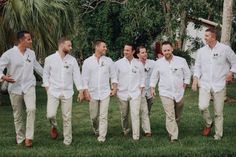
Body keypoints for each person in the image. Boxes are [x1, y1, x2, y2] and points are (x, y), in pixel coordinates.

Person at [0, 30, 43, 147]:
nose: (31, 41)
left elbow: (38, 69)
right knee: (17, 114)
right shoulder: (8, 54)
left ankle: (29, 138)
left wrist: (49, 79)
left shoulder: (31, 53)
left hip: (29, 86)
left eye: (30, 38)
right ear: (21, 40)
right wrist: (3, 77)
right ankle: (20, 138)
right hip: (14, 88)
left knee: (31, 109)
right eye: (28, 39)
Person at [192, 28, 236, 140]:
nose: (204, 37)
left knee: (218, 112)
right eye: (205, 35)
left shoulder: (225, 49)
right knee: (202, 106)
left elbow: (235, 61)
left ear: (213, 37)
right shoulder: (201, 51)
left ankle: (218, 135)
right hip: (205, 84)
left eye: (207, 35)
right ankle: (208, 123)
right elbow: (197, 67)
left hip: (219, 85)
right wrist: (195, 79)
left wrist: (231, 72)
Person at [43, 37, 83, 145]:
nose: (71, 47)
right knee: (50, 115)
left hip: (68, 92)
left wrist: (80, 90)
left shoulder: (72, 60)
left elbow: (77, 76)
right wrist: (47, 88)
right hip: (53, 92)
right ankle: (54, 126)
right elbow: (45, 75)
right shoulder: (49, 59)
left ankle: (67, 140)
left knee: (67, 117)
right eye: (69, 45)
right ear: (61, 45)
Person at [150, 41, 191, 142]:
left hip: (179, 92)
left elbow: (187, 74)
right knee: (170, 114)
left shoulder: (181, 61)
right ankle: (174, 136)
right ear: (162, 51)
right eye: (164, 50)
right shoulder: (158, 63)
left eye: (168, 50)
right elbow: (154, 77)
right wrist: (152, 88)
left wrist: (185, 84)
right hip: (165, 92)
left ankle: (172, 129)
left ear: (172, 49)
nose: (167, 52)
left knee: (178, 114)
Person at [82, 39, 117, 142]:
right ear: (97, 47)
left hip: (105, 92)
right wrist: (85, 92)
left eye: (106, 47)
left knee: (103, 116)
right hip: (92, 93)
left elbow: (113, 76)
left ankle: (102, 136)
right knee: (93, 117)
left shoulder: (109, 60)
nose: (106, 48)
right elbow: (84, 79)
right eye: (104, 46)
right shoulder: (88, 62)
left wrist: (114, 88)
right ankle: (96, 129)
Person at [115, 43, 145, 140]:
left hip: (135, 93)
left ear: (133, 52)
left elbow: (142, 77)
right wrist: (115, 88)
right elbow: (114, 78)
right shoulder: (118, 64)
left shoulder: (139, 63)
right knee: (124, 114)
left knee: (135, 114)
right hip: (122, 93)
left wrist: (141, 86)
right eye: (124, 50)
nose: (125, 52)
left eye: (128, 50)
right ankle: (126, 129)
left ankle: (136, 135)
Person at [136, 46, 154, 137]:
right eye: (142, 52)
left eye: (145, 52)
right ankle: (147, 131)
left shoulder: (152, 63)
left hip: (150, 92)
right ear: (138, 54)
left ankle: (145, 124)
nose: (145, 54)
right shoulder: (135, 64)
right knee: (144, 111)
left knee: (148, 110)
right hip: (140, 91)